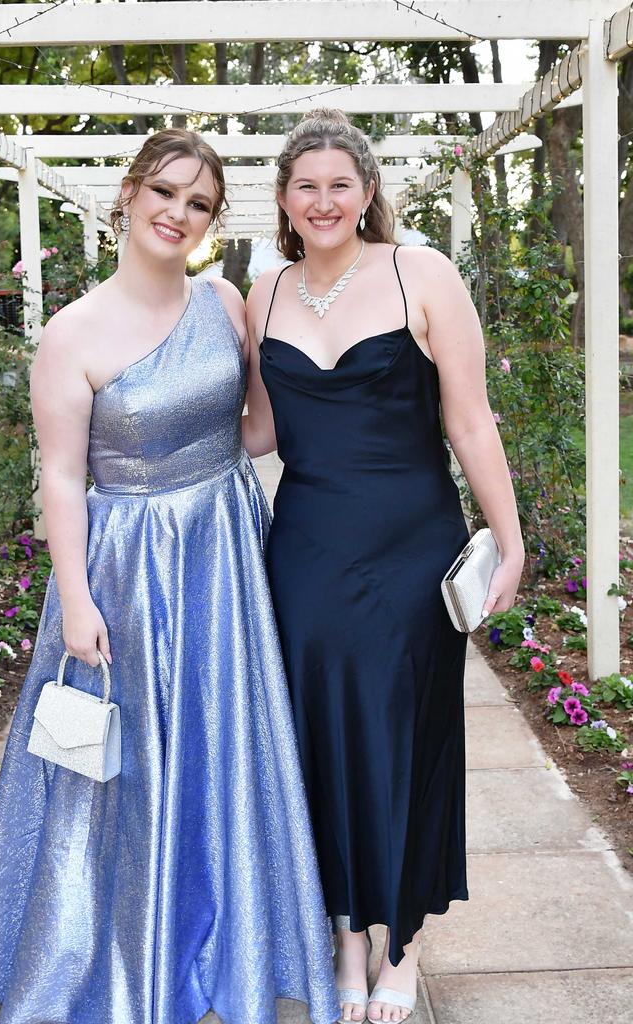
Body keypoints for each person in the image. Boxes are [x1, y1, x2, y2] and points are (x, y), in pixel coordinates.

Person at [0, 129, 339, 1024]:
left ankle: (234, 936)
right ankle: (118, 953)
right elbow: (59, 474)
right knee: (116, 764)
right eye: (164, 192)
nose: (177, 213)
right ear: (127, 196)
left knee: (225, 743)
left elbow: (254, 430)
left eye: (198, 202)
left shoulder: (226, 302)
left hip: (225, 549)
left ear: (212, 221)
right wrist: (77, 599)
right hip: (124, 565)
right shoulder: (71, 333)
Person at [243, 110, 524, 1024]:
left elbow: (470, 419)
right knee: (320, 736)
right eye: (305, 185)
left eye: (340, 183)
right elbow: (258, 431)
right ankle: (347, 937)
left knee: (404, 733)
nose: (323, 201)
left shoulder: (422, 272)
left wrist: (510, 537)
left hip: (411, 543)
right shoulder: (264, 294)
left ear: (367, 193)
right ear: (284, 199)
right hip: (309, 549)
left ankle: (401, 940)